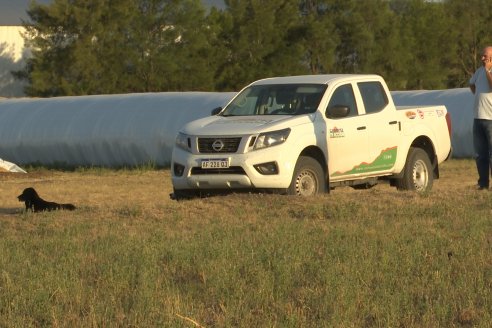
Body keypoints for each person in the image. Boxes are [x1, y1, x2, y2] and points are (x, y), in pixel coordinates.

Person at [469, 46, 492, 190]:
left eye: (485, 56)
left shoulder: (487, 71)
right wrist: (477, 93)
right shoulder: (478, 71)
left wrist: (488, 70)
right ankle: (483, 183)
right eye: (482, 56)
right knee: (480, 154)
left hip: (491, 119)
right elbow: (471, 84)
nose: (482, 58)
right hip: (478, 118)